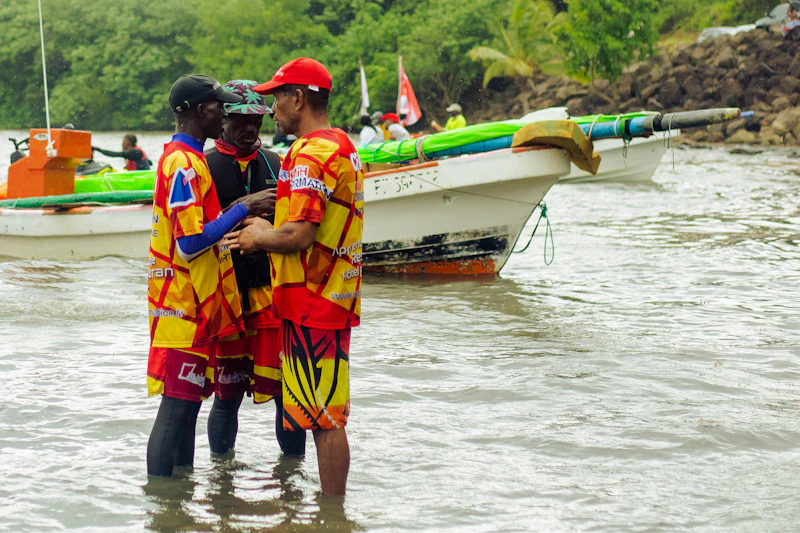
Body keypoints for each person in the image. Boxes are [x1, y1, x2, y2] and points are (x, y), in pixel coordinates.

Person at [223, 57, 364, 496]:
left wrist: (258, 237)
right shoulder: (344, 146)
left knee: (323, 419)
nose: (272, 110)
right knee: (323, 413)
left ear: (298, 98)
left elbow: (299, 234)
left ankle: (331, 515)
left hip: (310, 304)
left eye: (276, 99)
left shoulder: (308, 153)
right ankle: (325, 514)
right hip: (334, 298)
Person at [146, 74, 275, 477]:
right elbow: (189, 243)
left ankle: (178, 502)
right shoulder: (184, 164)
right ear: (202, 111)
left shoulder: (185, 158)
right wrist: (244, 207)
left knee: (186, 409)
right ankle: (163, 506)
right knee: (177, 408)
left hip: (195, 304)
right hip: (181, 304)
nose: (225, 114)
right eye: (220, 106)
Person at [204, 79, 306, 457]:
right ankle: (221, 480)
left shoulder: (277, 163)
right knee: (226, 396)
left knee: (285, 394)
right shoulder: (205, 166)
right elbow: (190, 233)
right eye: (240, 121)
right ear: (222, 120)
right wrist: (245, 209)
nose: (250, 130)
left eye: (257, 121)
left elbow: (299, 221)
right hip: (225, 296)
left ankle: (292, 481)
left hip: (270, 293)